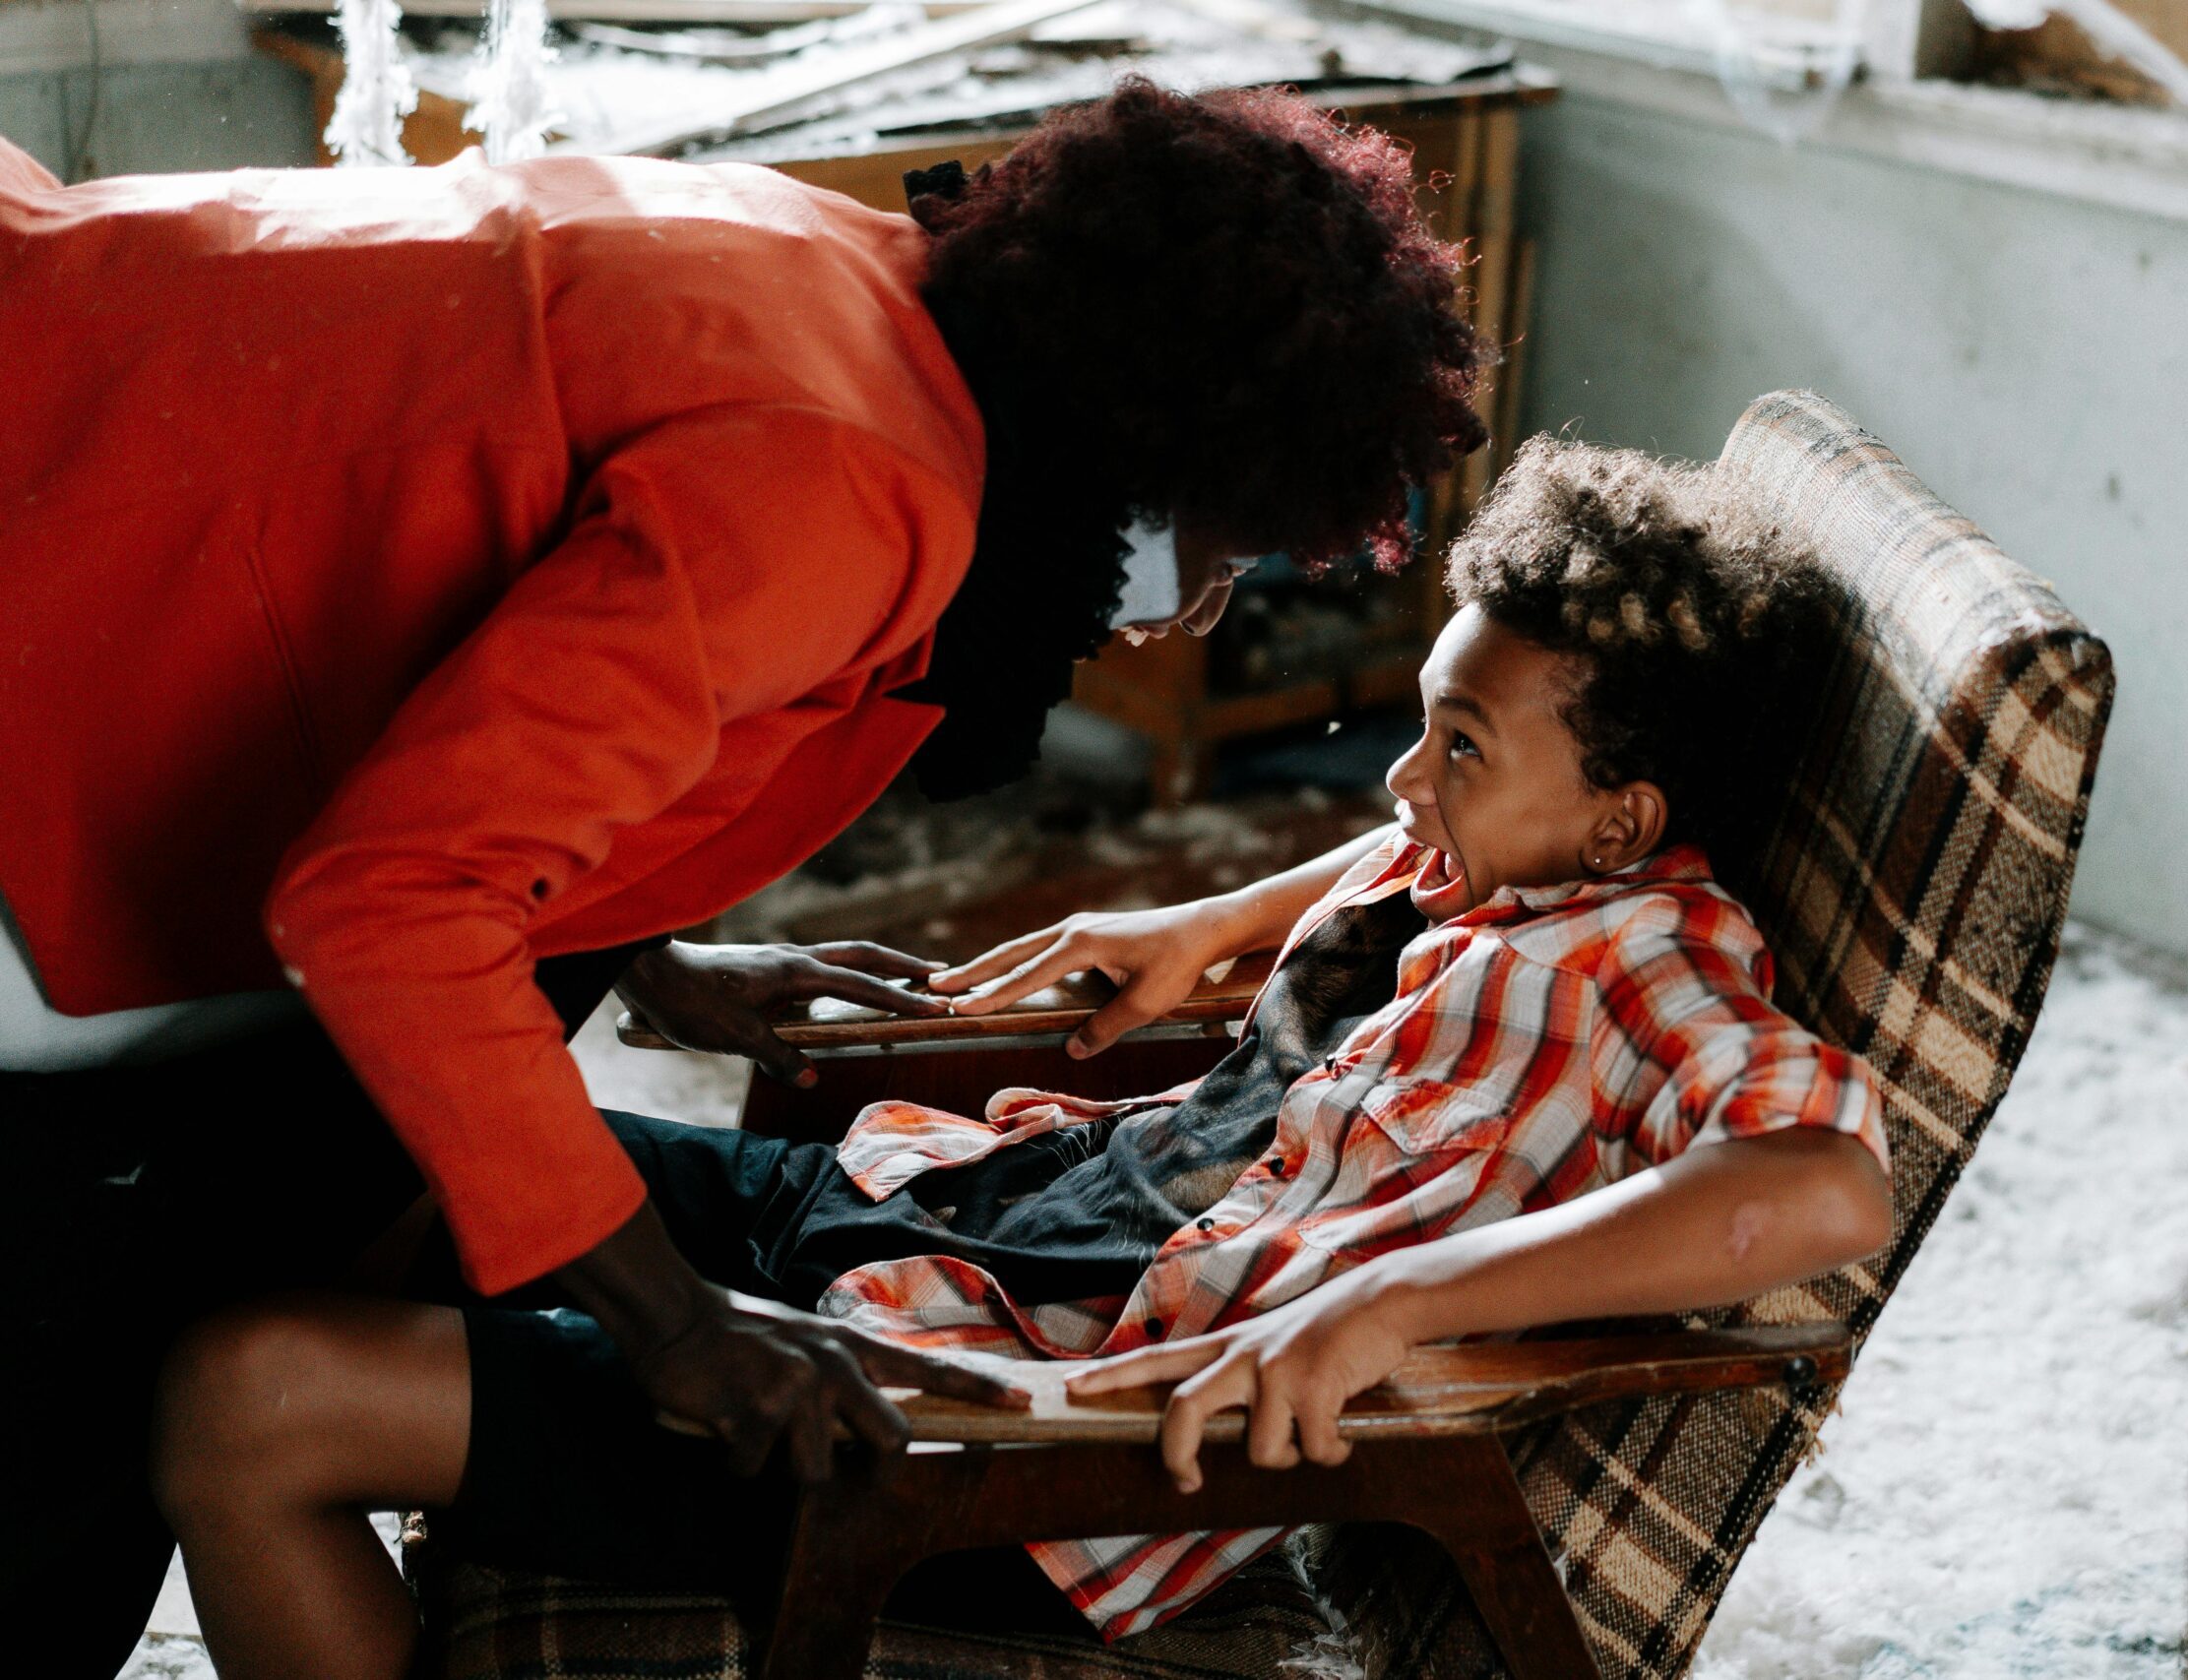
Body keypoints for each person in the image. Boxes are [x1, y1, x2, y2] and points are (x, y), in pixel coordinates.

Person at [0, 78, 1487, 1675]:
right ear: (1175, 464)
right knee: (59, 1398)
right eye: (1232, 547)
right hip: (62, 597)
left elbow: (516, 666)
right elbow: (389, 899)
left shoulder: (866, 286)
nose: (1202, 607)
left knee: (246, 1228)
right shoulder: (853, 491)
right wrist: (676, 1325)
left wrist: (652, 959)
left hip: (100, 415)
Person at [150, 437, 1898, 1677]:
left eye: (1457, 744)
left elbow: (1823, 1184)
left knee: (248, 1398)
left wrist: (1395, 1304)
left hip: (995, 1446)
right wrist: (1211, 927)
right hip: (937, 1218)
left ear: (1626, 822)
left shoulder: (1654, 960)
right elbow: (1383, 865)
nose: (1400, 787)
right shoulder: (1503, 866)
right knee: (369, 1161)